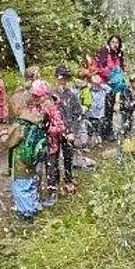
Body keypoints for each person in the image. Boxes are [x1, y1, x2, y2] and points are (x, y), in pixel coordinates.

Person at [3, 106, 45, 221]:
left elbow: (9, 142)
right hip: (32, 160)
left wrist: (3, 135)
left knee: (20, 187)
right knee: (31, 184)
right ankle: (33, 207)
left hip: (20, 161)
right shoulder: (35, 123)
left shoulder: (19, 125)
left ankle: (26, 213)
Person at [30, 79, 65, 207]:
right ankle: (37, 195)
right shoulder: (34, 108)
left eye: (37, 96)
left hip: (51, 145)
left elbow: (60, 126)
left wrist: (48, 129)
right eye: (33, 95)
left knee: (51, 169)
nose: (35, 98)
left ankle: (52, 193)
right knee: (37, 170)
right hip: (37, 145)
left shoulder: (51, 108)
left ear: (44, 96)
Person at [52, 65, 81, 195]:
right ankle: (54, 183)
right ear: (56, 77)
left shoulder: (71, 95)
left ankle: (69, 180)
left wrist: (73, 131)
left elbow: (77, 113)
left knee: (68, 157)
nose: (63, 80)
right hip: (54, 133)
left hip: (68, 132)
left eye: (66, 78)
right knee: (53, 158)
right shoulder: (50, 95)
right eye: (61, 77)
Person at [92, 34, 125, 141]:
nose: (115, 44)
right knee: (103, 109)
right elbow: (98, 67)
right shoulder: (104, 52)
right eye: (113, 42)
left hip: (114, 86)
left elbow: (121, 69)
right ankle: (101, 133)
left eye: (117, 42)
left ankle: (110, 131)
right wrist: (108, 74)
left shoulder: (118, 55)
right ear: (109, 43)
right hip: (103, 84)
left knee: (111, 109)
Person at [84, 75, 111, 146]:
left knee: (99, 132)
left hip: (100, 115)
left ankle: (99, 144)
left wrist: (100, 84)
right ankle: (89, 143)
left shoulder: (103, 92)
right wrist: (89, 86)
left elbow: (109, 89)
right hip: (91, 115)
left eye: (97, 84)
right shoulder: (89, 91)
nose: (95, 86)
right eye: (94, 84)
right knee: (89, 132)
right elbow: (81, 91)